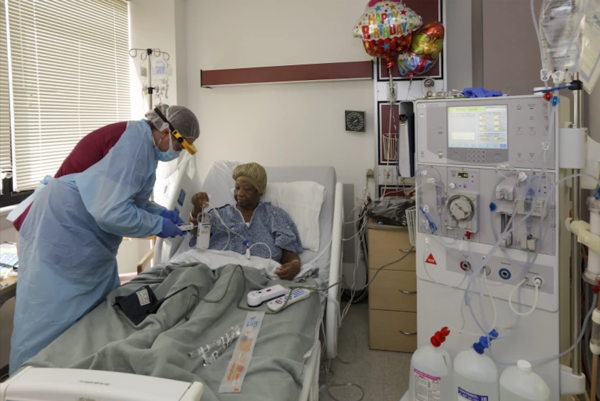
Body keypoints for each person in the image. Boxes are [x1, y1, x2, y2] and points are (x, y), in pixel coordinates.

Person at [9, 105, 200, 375]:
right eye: (181, 147)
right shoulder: (134, 143)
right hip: (61, 228)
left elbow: (132, 200)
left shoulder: (146, 149)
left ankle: (81, 372)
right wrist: (158, 224)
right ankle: (26, 380)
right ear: (167, 131)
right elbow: (111, 211)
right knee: (49, 313)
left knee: (97, 308)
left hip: (82, 235)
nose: (177, 154)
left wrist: (162, 213)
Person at [189, 163, 303, 280]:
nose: (239, 193)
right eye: (237, 188)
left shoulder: (274, 215)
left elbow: (289, 252)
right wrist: (196, 209)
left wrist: (295, 265)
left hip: (255, 277)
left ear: (259, 191)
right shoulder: (220, 214)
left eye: (247, 189)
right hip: (214, 272)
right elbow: (196, 232)